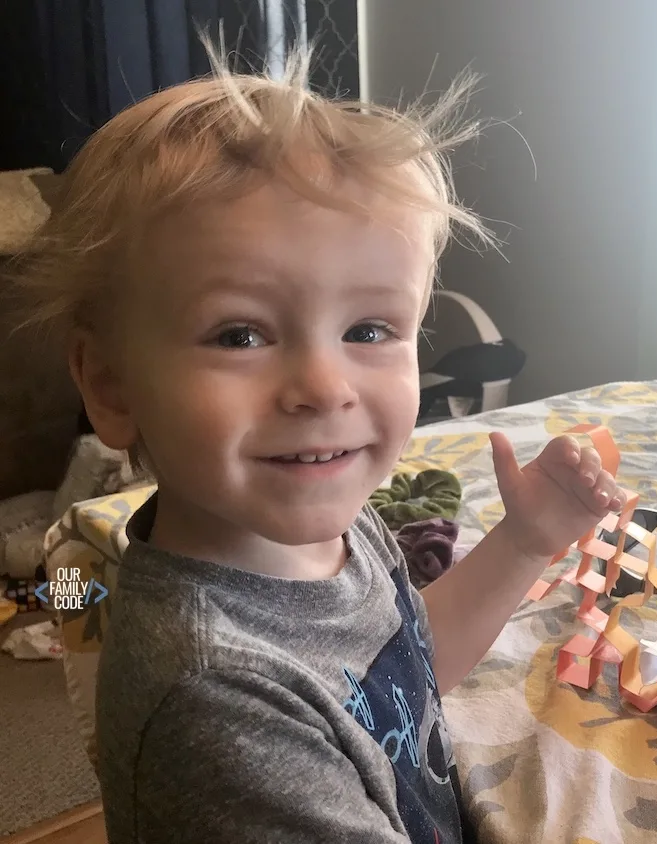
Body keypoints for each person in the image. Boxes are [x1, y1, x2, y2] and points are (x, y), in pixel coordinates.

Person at [11, 47, 624, 843]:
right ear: (111, 386)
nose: (323, 388)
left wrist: (525, 540)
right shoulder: (219, 708)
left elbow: (400, 676)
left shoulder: (332, 522)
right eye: (240, 334)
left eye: (367, 329)